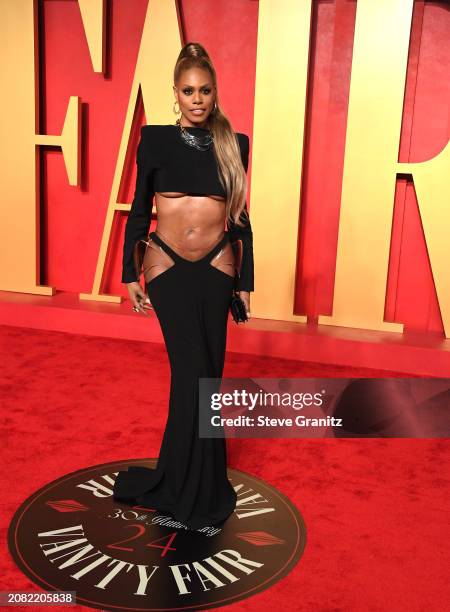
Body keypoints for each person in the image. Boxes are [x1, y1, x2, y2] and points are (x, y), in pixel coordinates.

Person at [112, 42, 254, 530]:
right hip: (167, 265)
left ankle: (199, 481)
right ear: (176, 94)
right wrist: (130, 271)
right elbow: (138, 207)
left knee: (208, 378)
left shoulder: (235, 144)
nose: (197, 99)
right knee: (192, 370)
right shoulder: (153, 139)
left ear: (215, 92)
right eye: (188, 91)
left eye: (205, 90)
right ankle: (183, 487)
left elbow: (239, 217)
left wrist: (246, 280)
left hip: (217, 267)